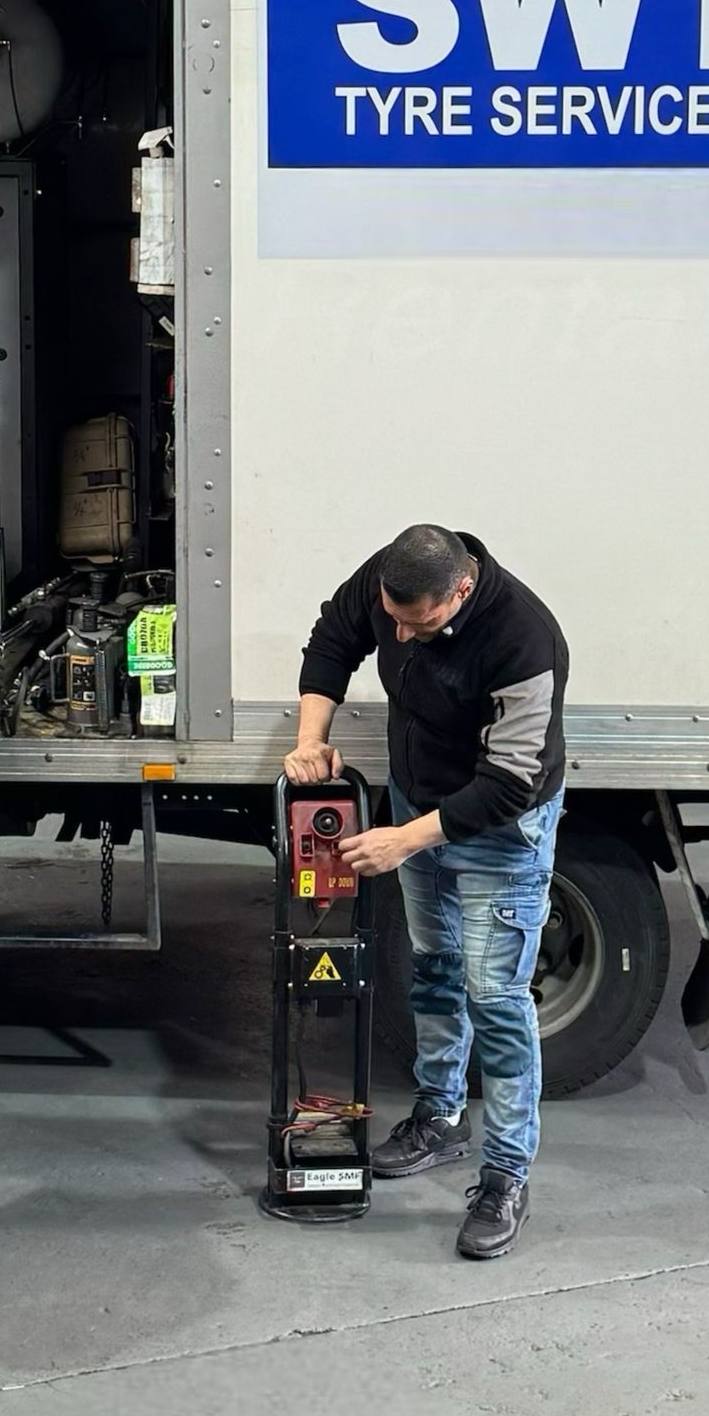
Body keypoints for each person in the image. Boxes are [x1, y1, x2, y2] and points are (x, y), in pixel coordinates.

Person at [285, 524, 568, 1260]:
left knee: (495, 999)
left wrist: (404, 840)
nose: (403, 637)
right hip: (420, 802)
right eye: (395, 619)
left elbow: (511, 782)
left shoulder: (525, 638)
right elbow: (334, 639)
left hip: (500, 829)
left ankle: (506, 1176)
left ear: (462, 591)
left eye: (422, 623)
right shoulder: (392, 576)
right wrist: (312, 737)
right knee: (435, 971)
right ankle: (441, 1118)